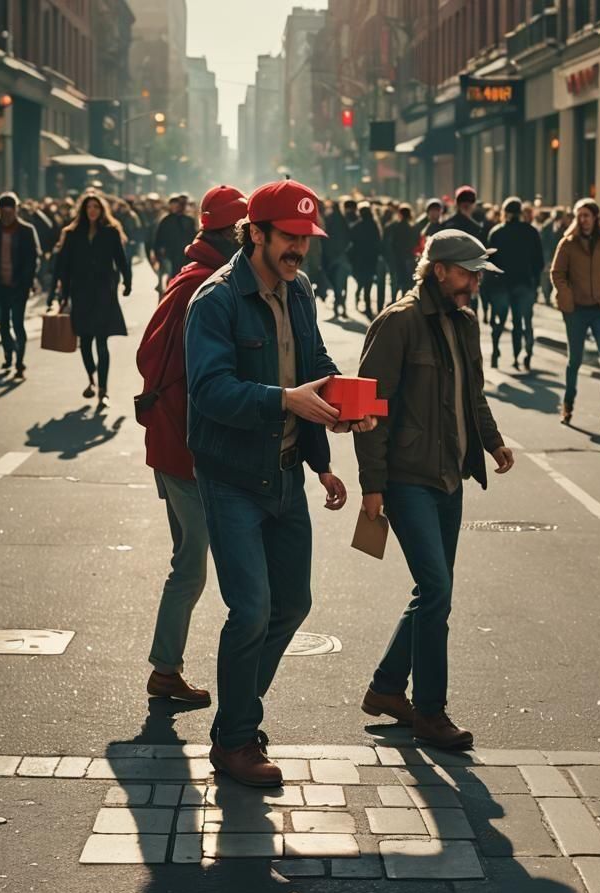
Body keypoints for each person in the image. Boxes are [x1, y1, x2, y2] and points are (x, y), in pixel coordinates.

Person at [184, 179, 374, 787]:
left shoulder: (302, 290)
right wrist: (283, 400)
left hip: (288, 470)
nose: (300, 249)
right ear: (256, 234)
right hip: (232, 477)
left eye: (306, 238)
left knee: (292, 604)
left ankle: (234, 724)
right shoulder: (215, 300)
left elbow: (314, 365)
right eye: (289, 237)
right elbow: (208, 391)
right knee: (251, 610)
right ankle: (237, 738)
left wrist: (342, 412)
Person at [355, 229, 514, 750]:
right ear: (439, 270)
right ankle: (430, 712)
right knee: (437, 590)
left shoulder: (464, 323)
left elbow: (473, 394)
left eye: (478, 275)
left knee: (432, 591)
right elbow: (369, 408)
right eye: (467, 273)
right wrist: (372, 485)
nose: (475, 283)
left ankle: (385, 688)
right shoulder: (398, 322)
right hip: (408, 478)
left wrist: (492, 441)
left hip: (450, 476)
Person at [136, 185, 248, 708]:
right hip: (183, 443)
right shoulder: (204, 284)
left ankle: (166, 668)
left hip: (174, 438)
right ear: (230, 234)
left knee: (188, 557)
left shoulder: (194, 275)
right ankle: (165, 670)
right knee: (191, 563)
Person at [49, 191, 132, 408]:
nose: (92, 210)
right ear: (83, 210)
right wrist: (58, 294)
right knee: (85, 342)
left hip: (104, 292)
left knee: (102, 342)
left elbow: (121, 259)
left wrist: (127, 282)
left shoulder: (111, 232)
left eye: (96, 207)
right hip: (81, 293)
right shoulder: (72, 233)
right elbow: (63, 266)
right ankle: (91, 379)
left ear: (101, 210)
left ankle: (103, 390)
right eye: (89, 207)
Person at [550, 198, 600, 433]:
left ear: (595, 218)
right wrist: (566, 297)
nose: (583, 220)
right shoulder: (567, 243)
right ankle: (568, 404)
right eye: (579, 215)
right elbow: (557, 273)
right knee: (575, 360)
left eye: (587, 215)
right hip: (577, 310)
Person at [0, 192, 40, 379]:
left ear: (16, 211)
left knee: (18, 323)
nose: (7, 216)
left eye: (10, 212)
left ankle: (20, 361)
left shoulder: (26, 231)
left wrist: (28, 281)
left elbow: (33, 259)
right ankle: (8, 353)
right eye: (3, 212)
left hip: (19, 285)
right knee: (3, 324)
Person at [487, 196, 544, 370]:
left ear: (504, 213)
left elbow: (489, 262)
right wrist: (535, 283)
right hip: (524, 283)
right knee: (523, 322)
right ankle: (522, 355)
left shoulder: (496, 232)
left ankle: (495, 351)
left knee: (499, 321)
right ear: (521, 213)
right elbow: (539, 262)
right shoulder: (531, 232)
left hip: (501, 284)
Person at [153, 194, 195, 293]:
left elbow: (192, 236)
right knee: (172, 274)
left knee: (182, 274)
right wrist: (158, 251)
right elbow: (159, 237)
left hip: (184, 253)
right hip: (169, 253)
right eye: (172, 206)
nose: (174, 208)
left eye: (176, 206)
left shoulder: (188, 220)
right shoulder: (166, 220)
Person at [349, 201, 383, 318]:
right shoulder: (374, 225)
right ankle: (367, 306)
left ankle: (358, 296)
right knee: (368, 281)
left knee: (361, 279)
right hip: (371, 258)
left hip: (359, 258)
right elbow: (378, 242)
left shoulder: (356, 226)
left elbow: (352, 242)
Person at [322, 198, 352, 318]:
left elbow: (324, 238)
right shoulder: (343, 220)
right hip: (342, 256)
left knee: (335, 284)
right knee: (343, 283)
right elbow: (348, 238)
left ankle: (336, 308)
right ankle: (343, 308)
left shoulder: (329, 219)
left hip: (331, 258)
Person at [383, 202, 419, 299]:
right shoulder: (412, 228)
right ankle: (404, 299)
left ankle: (394, 300)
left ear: (399, 214)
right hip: (408, 258)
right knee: (406, 283)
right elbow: (415, 243)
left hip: (396, 258)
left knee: (395, 282)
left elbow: (391, 243)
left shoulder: (394, 227)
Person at [539, 207, 568, 306]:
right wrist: (546, 259)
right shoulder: (547, 226)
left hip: (559, 256)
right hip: (548, 256)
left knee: (557, 277)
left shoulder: (565, 227)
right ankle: (547, 297)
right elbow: (543, 242)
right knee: (546, 278)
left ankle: (555, 298)